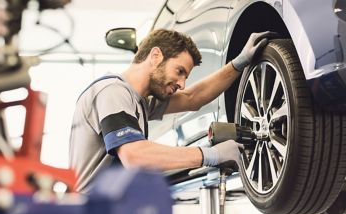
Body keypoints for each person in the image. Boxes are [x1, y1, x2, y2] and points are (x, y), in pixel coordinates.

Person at [69, 29, 275, 193]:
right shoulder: (112, 92)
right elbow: (135, 156)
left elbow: (192, 98)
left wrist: (238, 63)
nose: (182, 84)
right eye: (180, 71)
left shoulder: (139, 101)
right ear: (156, 55)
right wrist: (210, 155)